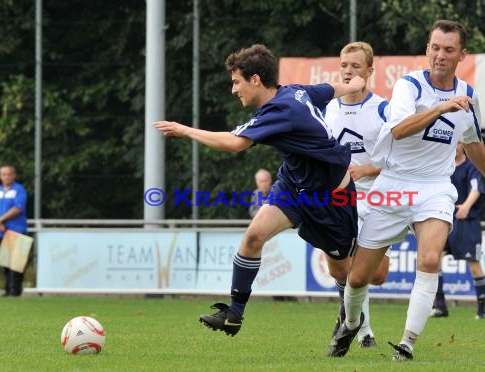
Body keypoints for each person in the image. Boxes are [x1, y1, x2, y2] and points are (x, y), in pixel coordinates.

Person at [327, 20, 485, 360]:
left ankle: (407, 343)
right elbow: (400, 130)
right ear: (427, 49)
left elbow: (473, 142)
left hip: (435, 188)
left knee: (430, 259)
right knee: (358, 278)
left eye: (448, 50)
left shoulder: (469, 95)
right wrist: (441, 107)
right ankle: (352, 321)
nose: (440, 55)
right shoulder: (409, 86)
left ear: (462, 54)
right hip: (394, 186)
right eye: (435, 47)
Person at [154, 44, 366, 339]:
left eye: (236, 81)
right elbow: (328, 90)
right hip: (293, 188)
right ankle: (234, 314)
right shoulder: (294, 92)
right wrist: (351, 84)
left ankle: (351, 320)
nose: (233, 89)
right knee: (253, 236)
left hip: (330, 198)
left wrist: (185, 130)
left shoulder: (282, 109)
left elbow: (233, 143)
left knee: (341, 272)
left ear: (255, 79)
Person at [323, 41, 391, 349]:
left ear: (369, 71)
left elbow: (400, 158)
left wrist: (368, 169)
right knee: (344, 267)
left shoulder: (383, 109)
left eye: (355, 66)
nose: (348, 71)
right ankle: (362, 330)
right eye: (344, 65)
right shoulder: (328, 108)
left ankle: (351, 320)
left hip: (377, 199)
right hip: (339, 199)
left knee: (376, 276)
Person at [430, 142, 485, 319]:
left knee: (474, 265)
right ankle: (440, 306)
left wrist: (466, 207)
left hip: (467, 222)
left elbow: (476, 188)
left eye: (458, 143)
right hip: (446, 219)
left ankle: (481, 310)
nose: (455, 146)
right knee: (433, 259)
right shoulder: (442, 167)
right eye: (452, 142)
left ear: (463, 146)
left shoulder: (472, 167)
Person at [0, 165, 29, 297]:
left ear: (14, 175)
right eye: (3, 174)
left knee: (17, 262)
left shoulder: (19, 190)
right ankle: (7, 289)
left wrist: (1, 219)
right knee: (5, 261)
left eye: (9, 174)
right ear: (0, 176)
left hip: (17, 230)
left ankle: (16, 290)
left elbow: (18, 208)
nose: (6, 177)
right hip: (1, 231)